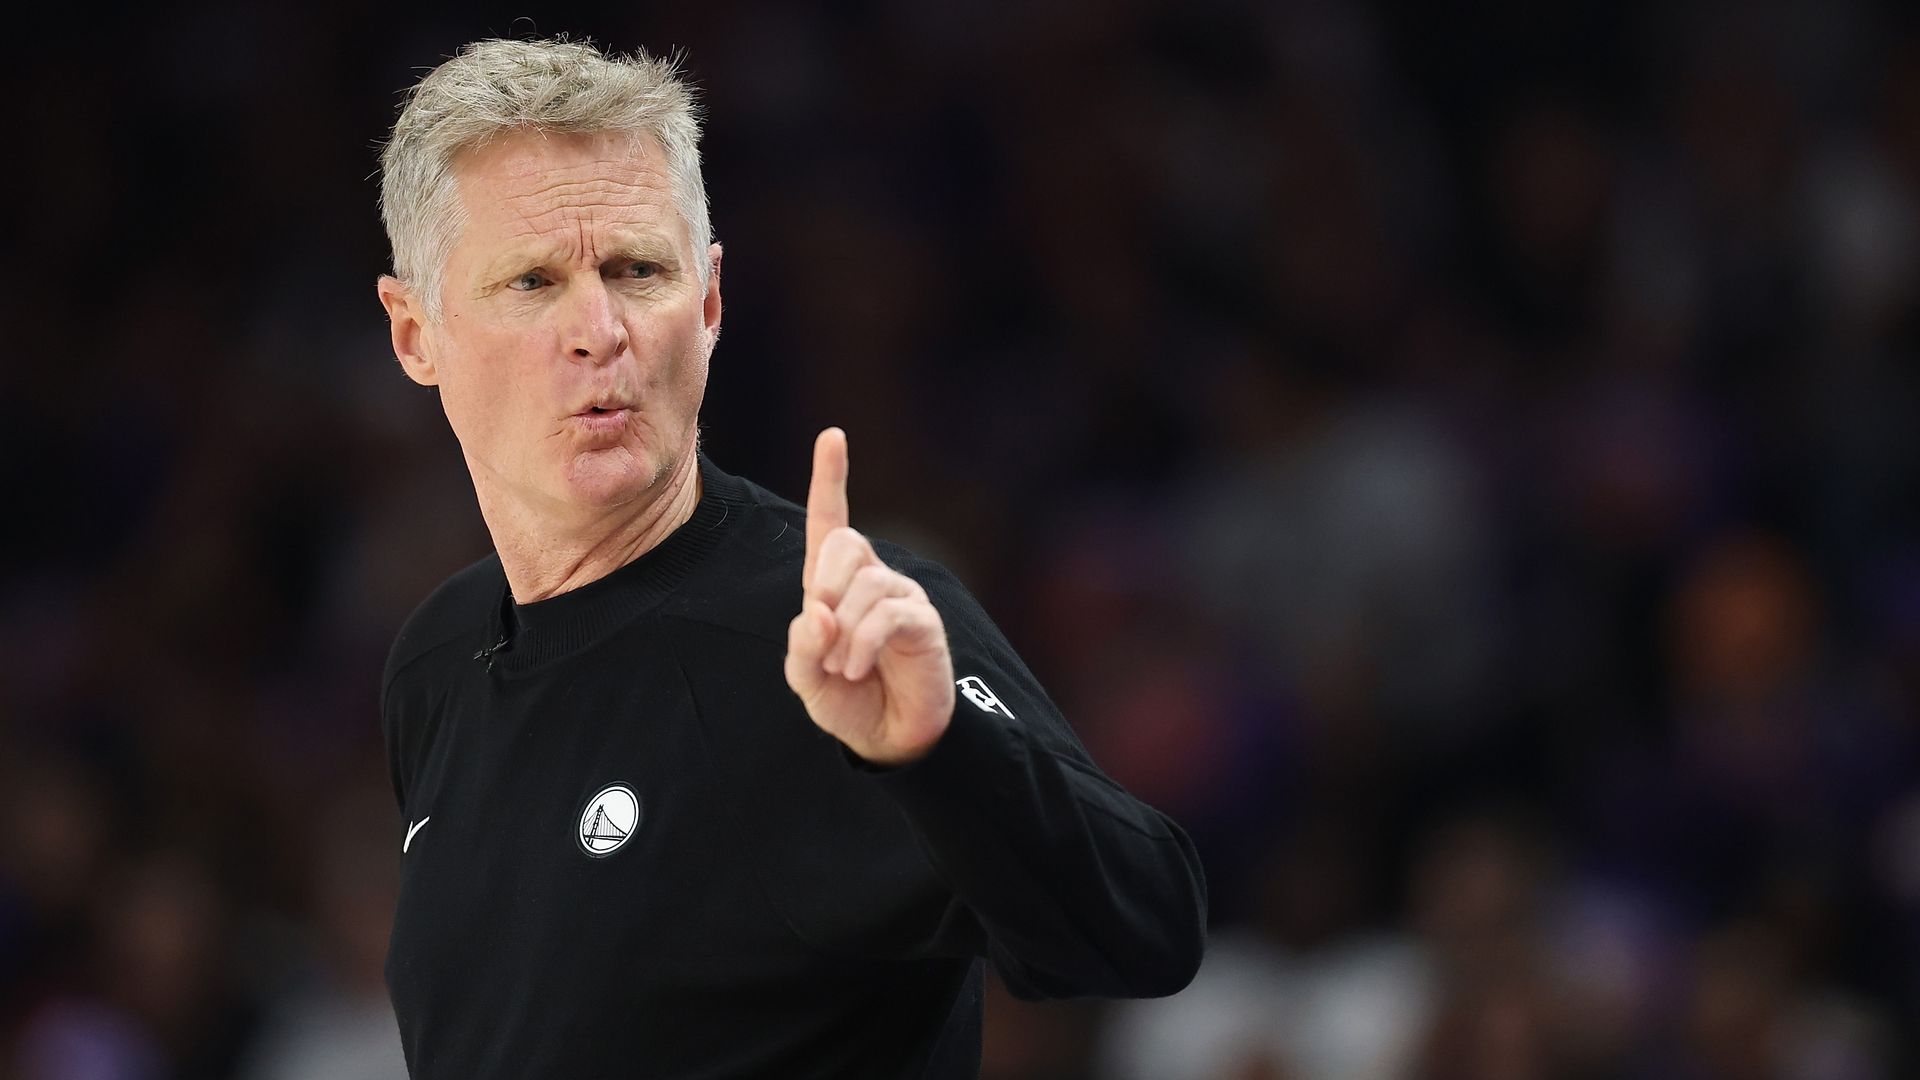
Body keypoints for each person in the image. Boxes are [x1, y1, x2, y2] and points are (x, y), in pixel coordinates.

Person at [372, 36, 1206, 1078]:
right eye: (532, 281)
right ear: (417, 333)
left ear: (710, 302)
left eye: (637, 270)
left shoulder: (836, 630)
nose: (600, 330)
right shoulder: (437, 662)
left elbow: (1149, 928)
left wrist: (937, 753)